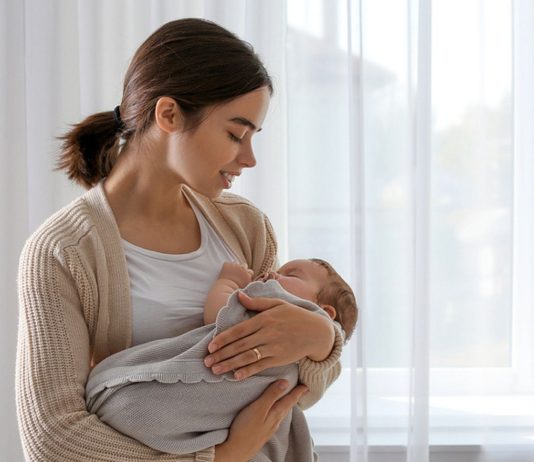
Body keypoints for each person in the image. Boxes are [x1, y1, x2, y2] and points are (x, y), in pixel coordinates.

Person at [15, 18, 345, 462]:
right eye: (235, 134)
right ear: (168, 114)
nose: (248, 159)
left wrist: (322, 339)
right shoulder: (62, 252)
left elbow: (283, 389)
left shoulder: (247, 228)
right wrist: (220, 457)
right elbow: (52, 440)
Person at [84, 259, 357, 460]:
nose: (272, 272)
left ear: (324, 311)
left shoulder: (277, 303)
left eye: (291, 274)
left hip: (148, 409)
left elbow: (219, 314)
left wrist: (227, 282)